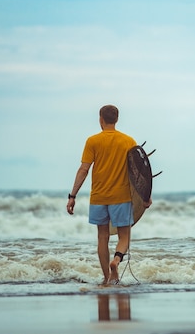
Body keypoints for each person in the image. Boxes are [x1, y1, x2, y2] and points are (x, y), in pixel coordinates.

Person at [66, 104, 151, 284]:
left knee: (102, 238)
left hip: (98, 197)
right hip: (121, 197)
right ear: (117, 119)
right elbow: (139, 173)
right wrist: (146, 195)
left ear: (101, 119)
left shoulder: (93, 141)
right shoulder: (128, 141)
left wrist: (72, 195)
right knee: (124, 236)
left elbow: (84, 169)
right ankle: (117, 261)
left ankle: (106, 278)